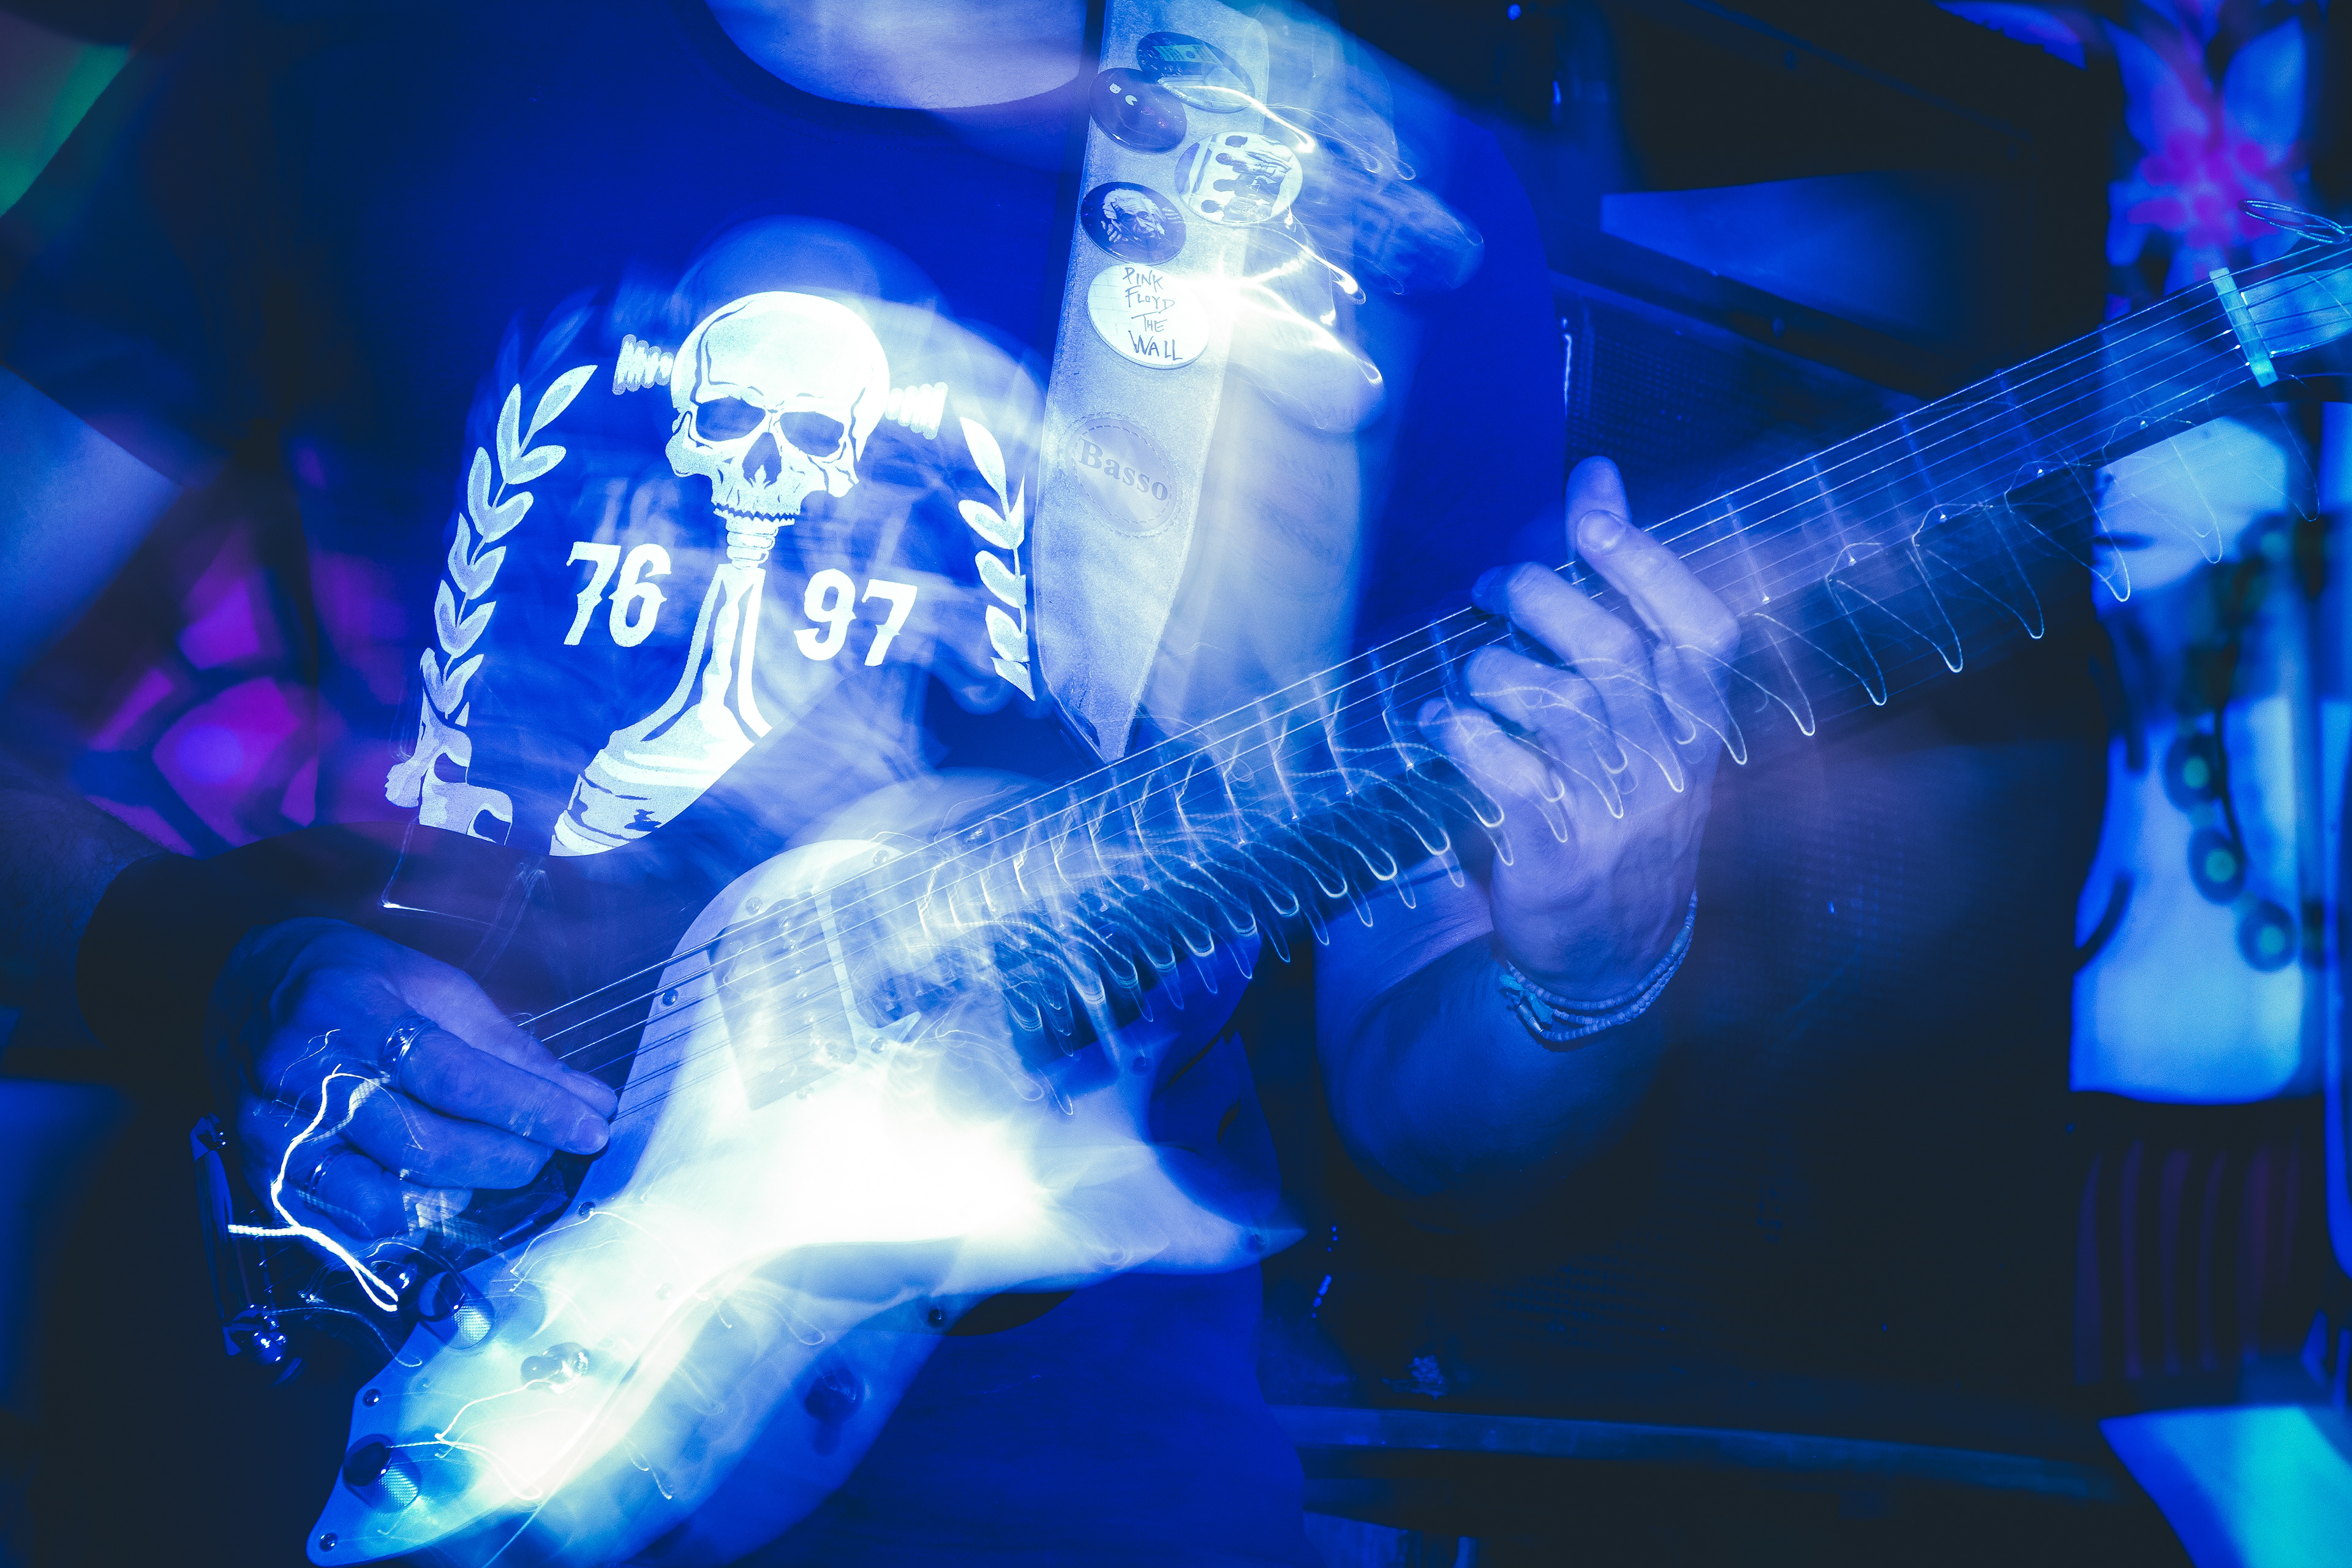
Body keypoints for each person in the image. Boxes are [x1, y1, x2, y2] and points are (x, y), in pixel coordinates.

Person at [0, 1, 1735, 1561]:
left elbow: (1428, 1118)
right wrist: (222, 972)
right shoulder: (345, 55)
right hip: (351, 1371)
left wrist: (1590, 968)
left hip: (1049, 1475)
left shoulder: (1356, 200)